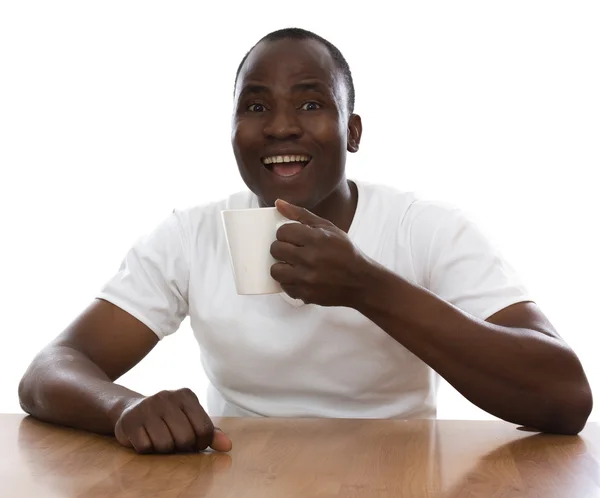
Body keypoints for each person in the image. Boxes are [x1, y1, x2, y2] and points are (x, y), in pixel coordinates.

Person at [18, 28, 593, 454]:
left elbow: (564, 396)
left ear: (354, 131)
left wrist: (369, 287)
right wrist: (127, 408)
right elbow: (50, 370)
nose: (281, 126)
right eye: (256, 105)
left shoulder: (426, 228)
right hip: (238, 473)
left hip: (400, 477)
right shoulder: (191, 234)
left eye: (312, 103)